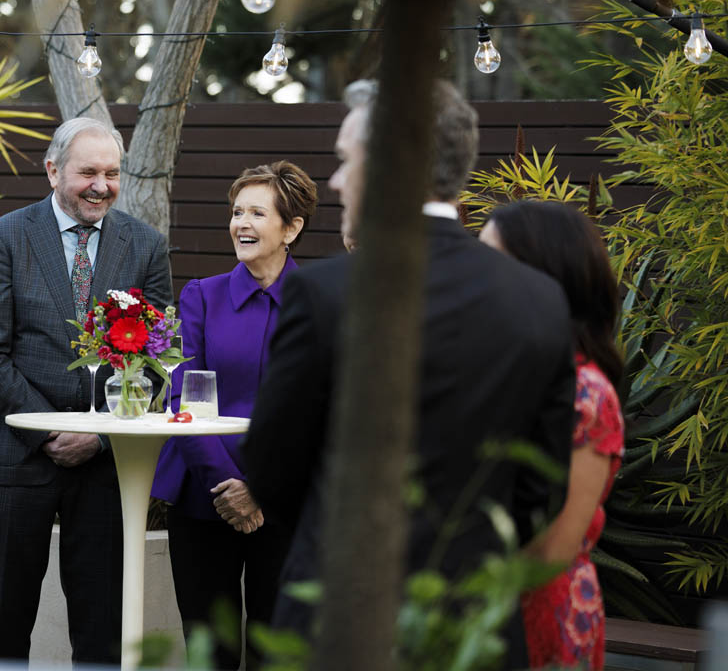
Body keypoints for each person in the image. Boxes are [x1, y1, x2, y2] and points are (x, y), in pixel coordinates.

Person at [242, 79, 576, 664]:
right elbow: (543, 488)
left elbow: (271, 467)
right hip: (474, 624)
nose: (337, 181)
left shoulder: (326, 293)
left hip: (338, 615)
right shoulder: (539, 298)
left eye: (347, 160)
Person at [0, 117, 173, 664]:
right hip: (14, 457)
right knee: (3, 633)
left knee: (102, 636)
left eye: (112, 174)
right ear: (53, 171)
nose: (101, 186)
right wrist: (53, 430)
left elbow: (155, 361)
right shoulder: (7, 236)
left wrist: (97, 437)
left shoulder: (146, 245)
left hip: (104, 468)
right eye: (88, 173)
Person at [151, 161, 317, 669]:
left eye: (257, 213)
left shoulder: (321, 302)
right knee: (209, 652)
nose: (241, 223)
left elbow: (321, 408)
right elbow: (182, 398)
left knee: (279, 652)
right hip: (205, 496)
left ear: (291, 228)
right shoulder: (201, 296)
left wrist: (260, 488)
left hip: (287, 502)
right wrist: (227, 486)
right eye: (237, 211)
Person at [480, 201, 625, 670]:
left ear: (546, 276)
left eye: (493, 261)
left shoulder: (588, 394)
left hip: (536, 616)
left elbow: (552, 552)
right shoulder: (500, 371)